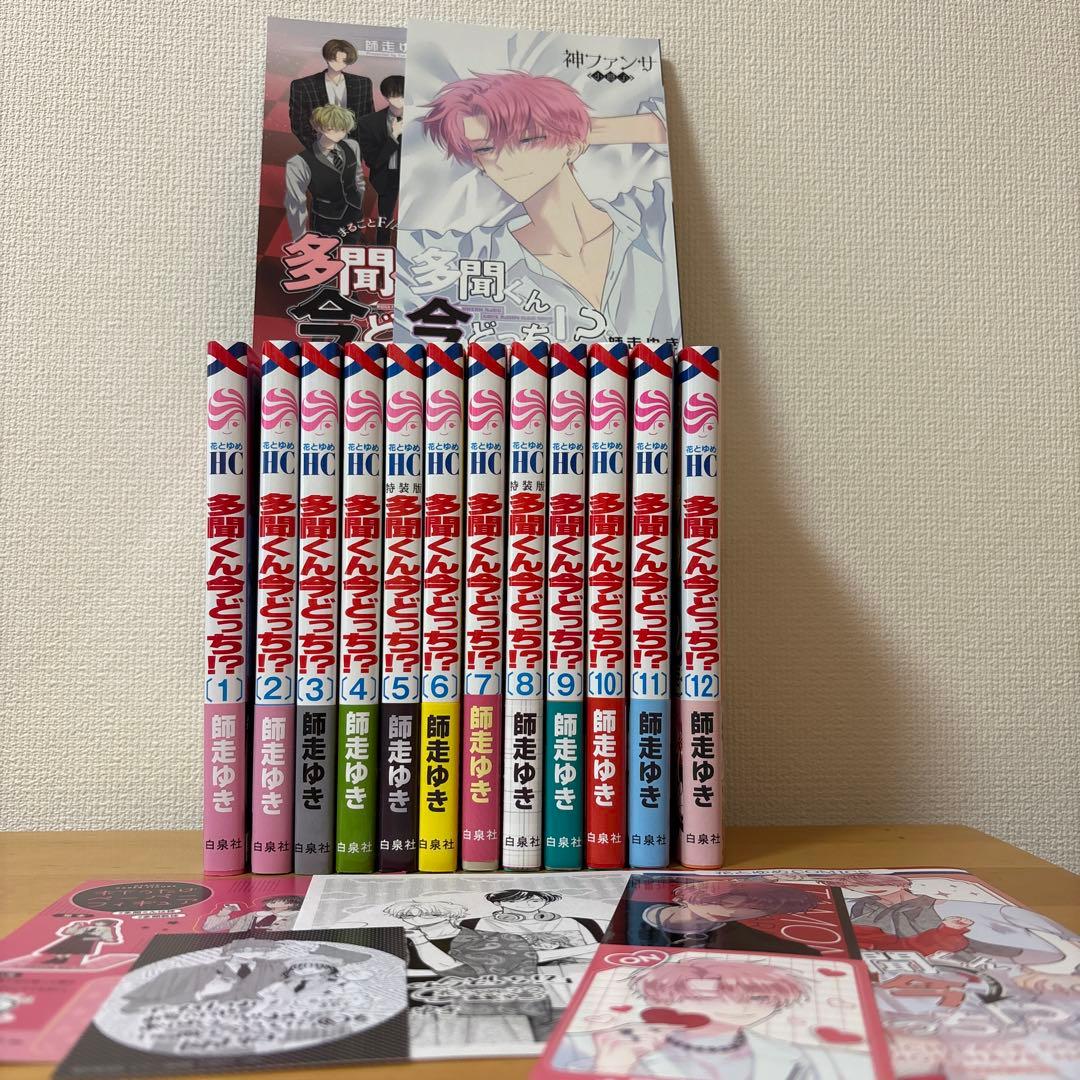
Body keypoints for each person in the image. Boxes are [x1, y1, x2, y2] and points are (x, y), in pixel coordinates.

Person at [402, 69, 680, 341]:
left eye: (527, 140)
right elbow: (389, 256)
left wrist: (573, 127)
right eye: (486, 148)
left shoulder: (651, 216)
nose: (506, 160)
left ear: (574, 144)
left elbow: (670, 126)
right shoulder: (477, 252)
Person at [552, 957, 822, 1078]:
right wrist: (612, 1068)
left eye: (759, 998)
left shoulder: (789, 1057)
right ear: (662, 997)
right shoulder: (588, 1043)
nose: (738, 1006)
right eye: (712, 995)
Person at [639, 879, 825, 954]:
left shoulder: (759, 944)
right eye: (728, 902)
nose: (731, 913)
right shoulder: (640, 893)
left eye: (762, 909)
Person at [284, 104, 367, 242]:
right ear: (317, 127)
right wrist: (300, 238)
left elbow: (358, 178)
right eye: (331, 128)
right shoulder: (299, 162)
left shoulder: (352, 146)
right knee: (328, 253)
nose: (337, 133)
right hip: (325, 220)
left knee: (351, 248)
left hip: (354, 214)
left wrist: (358, 201)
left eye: (342, 129)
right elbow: (296, 203)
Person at [460, 889, 603, 964]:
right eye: (515, 900)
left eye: (535, 900)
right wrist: (592, 948)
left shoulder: (577, 922)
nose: (527, 904)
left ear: (546, 902)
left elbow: (599, 956)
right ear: (497, 902)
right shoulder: (475, 924)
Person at [289, 39, 374, 149]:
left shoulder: (362, 83)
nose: (338, 64)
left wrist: (360, 147)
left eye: (343, 61)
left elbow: (369, 118)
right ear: (326, 57)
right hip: (319, 145)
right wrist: (319, 147)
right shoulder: (303, 85)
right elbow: (299, 123)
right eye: (334, 59)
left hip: (355, 146)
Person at [354, 75, 404, 245]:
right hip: (387, 177)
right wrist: (393, 137)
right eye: (395, 95)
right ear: (386, 96)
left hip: (416, 177)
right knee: (385, 218)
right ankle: (383, 248)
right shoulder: (368, 123)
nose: (399, 100)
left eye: (403, 95)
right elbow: (372, 161)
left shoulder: (423, 120)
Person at [202, 894, 303, 933]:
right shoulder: (252, 915)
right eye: (274, 899)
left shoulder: (297, 917)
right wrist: (221, 915)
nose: (274, 900)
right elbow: (210, 928)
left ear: (291, 904)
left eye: (282, 900)